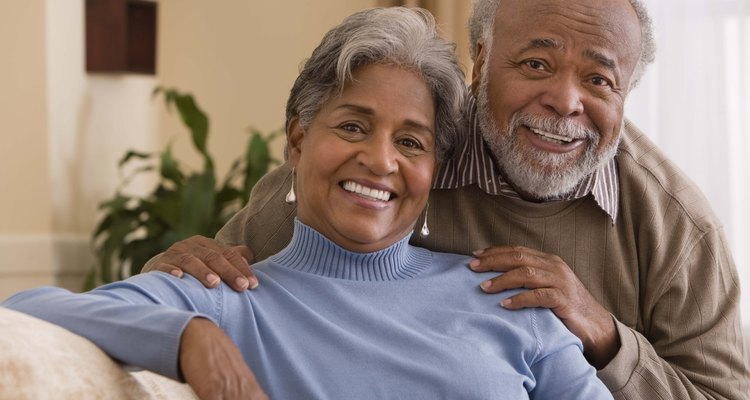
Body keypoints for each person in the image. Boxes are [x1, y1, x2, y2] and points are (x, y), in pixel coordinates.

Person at [144, 0, 750, 398]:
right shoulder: (381, 163)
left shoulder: (677, 229)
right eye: (536, 63)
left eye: (599, 79)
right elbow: (206, 286)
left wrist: (607, 337)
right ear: (480, 61)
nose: (566, 101)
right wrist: (181, 282)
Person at [2, 7, 613, 400]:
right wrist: (189, 335)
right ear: (298, 140)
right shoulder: (225, 298)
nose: (380, 160)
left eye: (410, 141)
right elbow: (24, 310)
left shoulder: (508, 302)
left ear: (433, 170)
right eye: (352, 126)